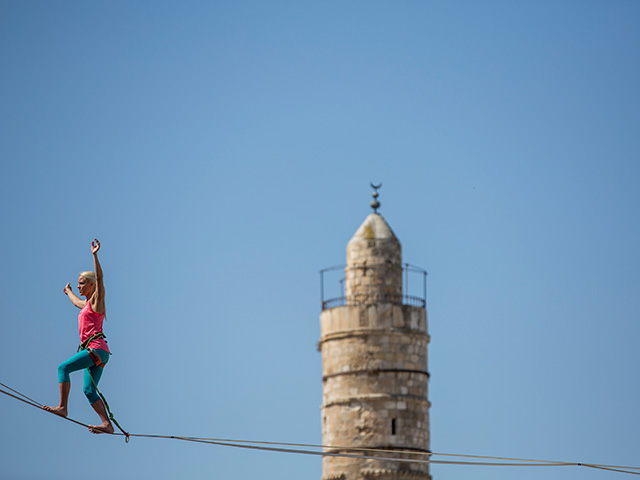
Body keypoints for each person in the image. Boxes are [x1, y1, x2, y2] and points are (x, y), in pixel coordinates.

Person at [43, 238, 114, 434]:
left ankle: (63, 407)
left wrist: (95, 255)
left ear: (91, 285)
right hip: (99, 353)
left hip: (96, 349)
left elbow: (100, 279)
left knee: (63, 368)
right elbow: (76, 303)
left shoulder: (97, 302)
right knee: (89, 391)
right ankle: (107, 424)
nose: (80, 287)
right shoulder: (86, 305)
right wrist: (68, 292)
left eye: (82, 284)